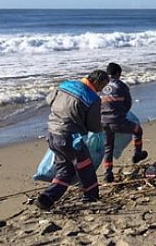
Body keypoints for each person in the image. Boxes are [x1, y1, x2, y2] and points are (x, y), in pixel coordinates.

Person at [35, 70, 110, 211]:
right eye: (103, 85)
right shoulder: (92, 98)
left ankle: (47, 198)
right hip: (70, 139)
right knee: (86, 167)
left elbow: (49, 100)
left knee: (65, 170)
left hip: (52, 133)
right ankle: (91, 196)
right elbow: (93, 126)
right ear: (97, 82)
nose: (102, 89)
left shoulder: (65, 85)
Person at [100, 62, 148, 183]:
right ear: (118, 73)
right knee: (137, 130)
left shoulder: (101, 86)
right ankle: (137, 154)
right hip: (117, 121)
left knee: (108, 148)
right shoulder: (121, 86)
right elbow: (128, 104)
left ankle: (107, 173)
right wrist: (121, 114)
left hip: (102, 122)